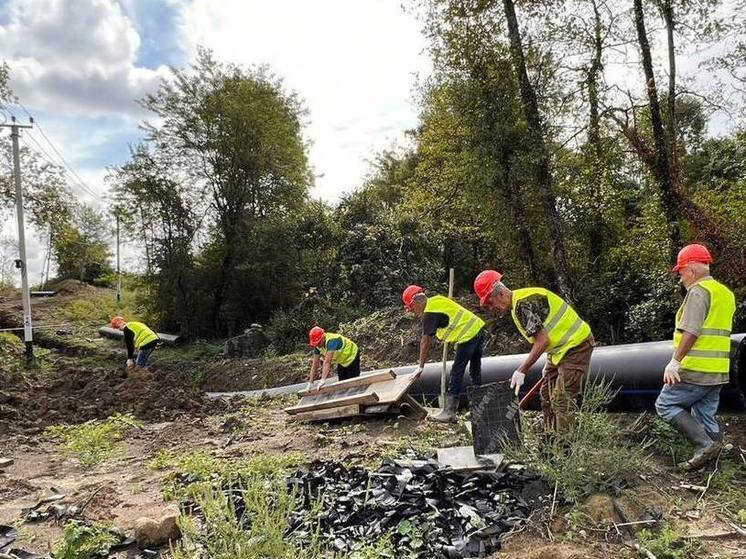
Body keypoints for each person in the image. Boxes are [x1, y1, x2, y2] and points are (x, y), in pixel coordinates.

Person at [474, 270, 594, 435]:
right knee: (546, 395)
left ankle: (564, 452)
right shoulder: (517, 306)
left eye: (490, 302)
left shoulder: (523, 304)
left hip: (576, 345)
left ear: (500, 293)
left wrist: (522, 370)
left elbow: (543, 341)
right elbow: (546, 338)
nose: (491, 308)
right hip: (559, 350)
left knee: (562, 401)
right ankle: (550, 440)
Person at [655, 244, 735, 470]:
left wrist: (675, 361)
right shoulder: (725, 294)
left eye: (680, 272)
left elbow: (691, 330)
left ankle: (703, 446)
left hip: (696, 369)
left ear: (690, 269)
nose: (680, 278)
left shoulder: (699, 292)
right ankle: (715, 465)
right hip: (718, 369)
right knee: (704, 415)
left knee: (665, 405)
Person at [401, 284, 485, 422]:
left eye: (412, 308)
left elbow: (425, 341)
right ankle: (479, 409)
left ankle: (449, 412)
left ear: (417, 301)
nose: (414, 312)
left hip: (469, 336)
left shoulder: (430, 312)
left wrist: (420, 367)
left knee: (456, 372)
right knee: (475, 371)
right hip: (478, 329)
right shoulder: (436, 300)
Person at [307, 326, 360, 391]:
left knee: (353, 383)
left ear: (323, 337)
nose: (317, 345)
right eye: (315, 344)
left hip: (352, 356)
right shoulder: (317, 346)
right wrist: (310, 382)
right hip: (342, 361)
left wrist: (323, 380)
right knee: (342, 383)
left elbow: (327, 362)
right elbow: (315, 364)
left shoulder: (332, 341)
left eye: (318, 342)